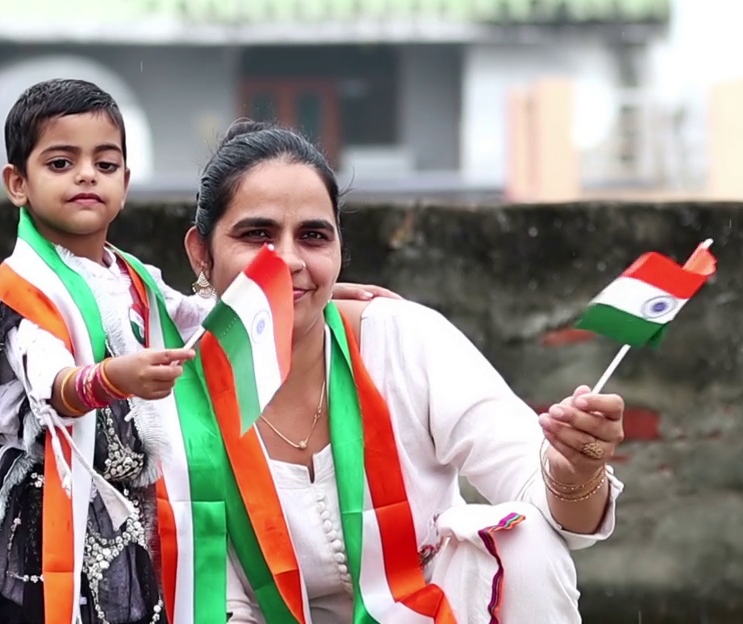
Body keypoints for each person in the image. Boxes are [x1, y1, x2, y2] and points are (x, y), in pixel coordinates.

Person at [0, 81, 394, 624]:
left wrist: (305, 293)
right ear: (18, 183)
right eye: (62, 163)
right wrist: (112, 379)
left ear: (126, 182)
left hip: (122, 503)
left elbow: (200, 312)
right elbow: (50, 384)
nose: (87, 175)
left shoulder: (130, 274)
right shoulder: (23, 292)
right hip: (45, 507)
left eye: (105, 164)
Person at [155, 119, 626, 623]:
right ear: (201, 252)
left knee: (526, 538)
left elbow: (561, 518)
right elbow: (212, 606)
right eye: (258, 235)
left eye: (313, 236)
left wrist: (575, 469)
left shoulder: (402, 341)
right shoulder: (167, 398)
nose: (288, 260)